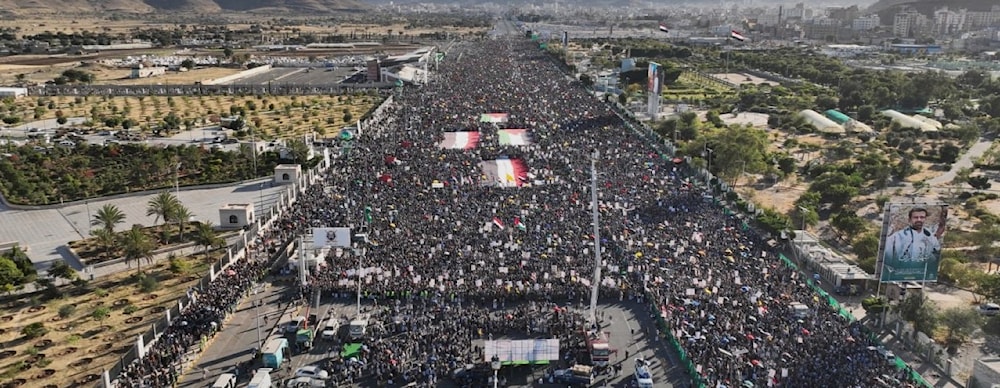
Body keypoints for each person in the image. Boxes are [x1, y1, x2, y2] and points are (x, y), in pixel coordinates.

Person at [883, 207, 946, 281]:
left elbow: (935, 257)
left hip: (920, 277)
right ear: (909, 220)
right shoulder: (896, 237)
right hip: (898, 276)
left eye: (922, 217)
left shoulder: (931, 238)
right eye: (916, 217)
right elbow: (887, 259)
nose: (919, 220)